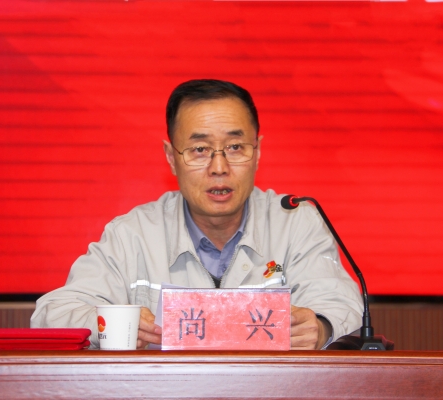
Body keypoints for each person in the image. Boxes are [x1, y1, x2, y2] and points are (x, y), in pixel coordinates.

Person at [31, 79, 363, 350]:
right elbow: (51, 315)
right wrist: (113, 324)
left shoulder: (295, 221)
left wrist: (321, 327)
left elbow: (342, 304)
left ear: (258, 151)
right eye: (200, 150)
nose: (219, 168)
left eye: (235, 147)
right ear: (171, 157)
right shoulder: (132, 234)